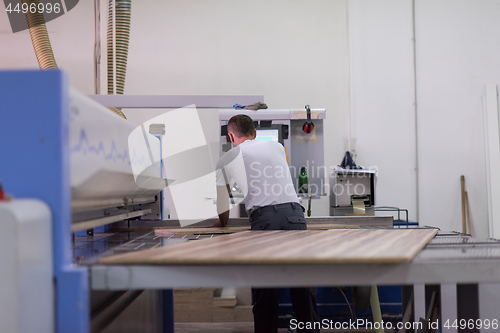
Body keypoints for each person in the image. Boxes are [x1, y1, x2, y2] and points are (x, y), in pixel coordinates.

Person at [214, 114, 320, 333]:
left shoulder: (227, 157)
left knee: (266, 293)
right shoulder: (277, 146)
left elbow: (223, 204)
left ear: (231, 136)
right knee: (303, 291)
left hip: (265, 222)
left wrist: (222, 223)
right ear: (255, 133)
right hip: (295, 216)